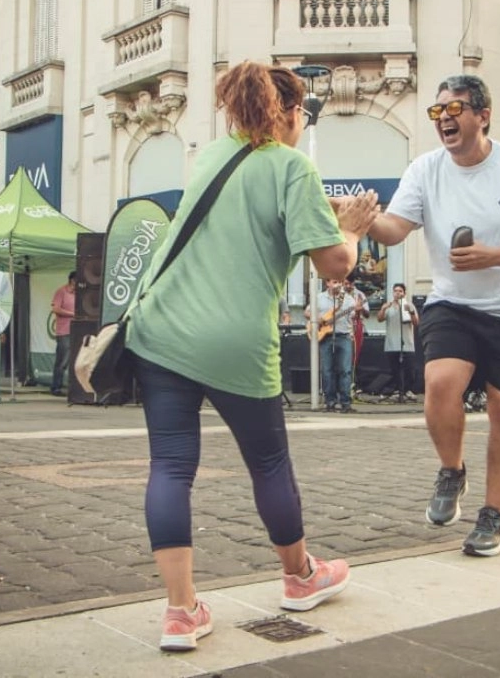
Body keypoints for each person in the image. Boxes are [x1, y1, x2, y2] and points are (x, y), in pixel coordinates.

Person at [124, 62, 379, 651]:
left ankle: (181, 612)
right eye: (302, 114)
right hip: (234, 339)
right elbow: (334, 265)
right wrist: (351, 230)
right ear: (290, 113)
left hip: (161, 329)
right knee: (268, 463)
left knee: (170, 466)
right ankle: (300, 576)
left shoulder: (213, 156)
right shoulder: (293, 166)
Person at [366, 74, 500, 557]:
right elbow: (394, 229)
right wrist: (359, 216)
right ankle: (452, 471)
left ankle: (494, 516)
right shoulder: (425, 169)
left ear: (482, 115)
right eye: (437, 112)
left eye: (454, 110)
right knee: (439, 384)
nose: (444, 120)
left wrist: (494, 256)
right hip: (454, 304)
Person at [305, 279, 359, 412]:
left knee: (345, 370)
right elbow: (307, 313)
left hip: (344, 336)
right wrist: (318, 319)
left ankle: (346, 403)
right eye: (334, 282)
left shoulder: (348, 299)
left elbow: (354, 316)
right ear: (327, 284)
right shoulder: (319, 298)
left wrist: (357, 310)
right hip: (325, 337)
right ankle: (330, 402)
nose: (338, 284)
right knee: (327, 370)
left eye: (339, 282)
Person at [377, 282, 419, 402]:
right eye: (395, 291)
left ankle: (407, 390)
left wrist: (411, 312)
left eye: (400, 291)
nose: (397, 293)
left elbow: (416, 323)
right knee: (395, 370)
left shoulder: (409, 305)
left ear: (404, 293)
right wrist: (383, 309)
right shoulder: (389, 306)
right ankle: (397, 391)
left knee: (409, 370)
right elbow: (379, 319)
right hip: (392, 344)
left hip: (407, 343)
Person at [49, 271, 76, 396]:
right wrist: (72, 314)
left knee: (74, 360)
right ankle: (56, 386)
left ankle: (72, 388)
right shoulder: (61, 291)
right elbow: (56, 308)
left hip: (77, 330)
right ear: (72, 280)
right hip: (64, 331)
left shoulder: (79, 294)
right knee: (62, 360)